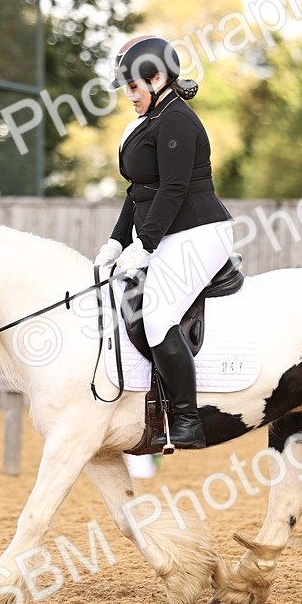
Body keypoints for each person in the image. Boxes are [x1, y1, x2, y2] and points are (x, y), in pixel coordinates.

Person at [92, 36, 235, 449]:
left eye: (134, 87)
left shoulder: (177, 120)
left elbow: (173, 189)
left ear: (157, 78)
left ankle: (187, 420)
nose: (129, 97)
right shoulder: (147, 122)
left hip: (198, 232)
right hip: (167, 232)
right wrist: (117, 242)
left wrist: (146, 244)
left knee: (156, 313)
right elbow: (137, 190)